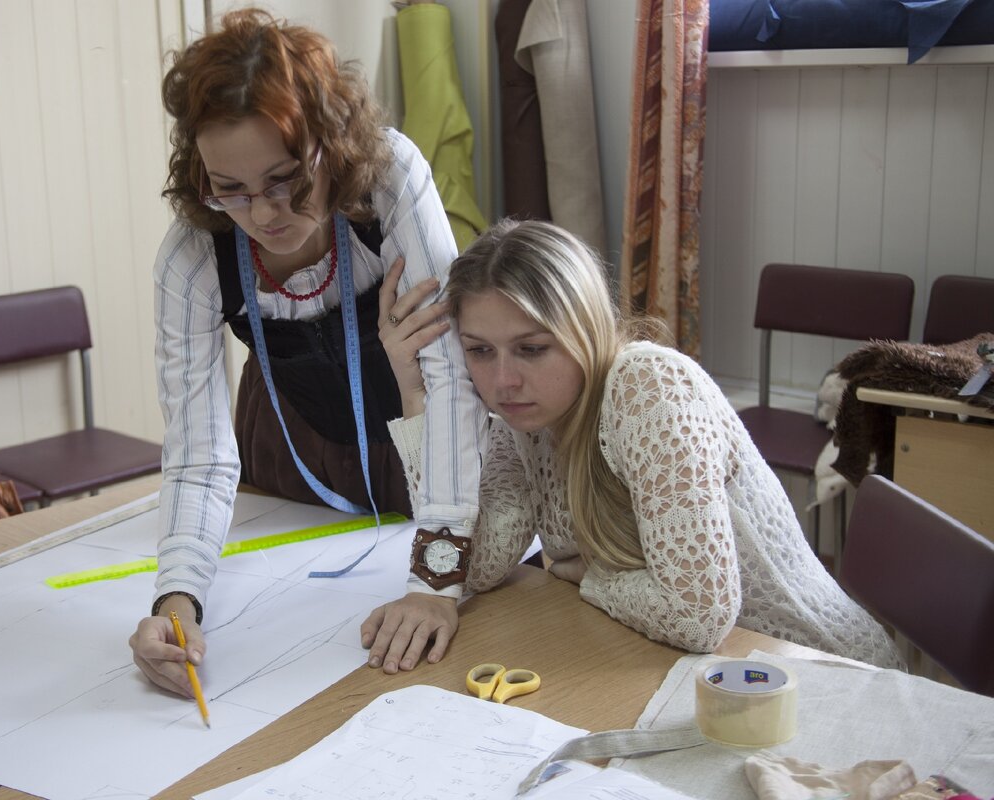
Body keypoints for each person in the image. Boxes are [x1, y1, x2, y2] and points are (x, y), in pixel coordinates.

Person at [129, 9, 486, 697]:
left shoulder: (390, 178)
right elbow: (199, 452)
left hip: (422, 434)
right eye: (228, 188)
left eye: (285, 178)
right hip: (290, 448)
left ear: (332, 144)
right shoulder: (191, 256)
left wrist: (436, 582)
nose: (262, 214)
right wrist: (176, 604)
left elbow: (445, 375)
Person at [362, 219, 902, 671]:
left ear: (585, 328)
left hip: (819, 669)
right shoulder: (523, 420)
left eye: (532, 349)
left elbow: (698, 615)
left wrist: (592, 577)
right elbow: (477, 567)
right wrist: (419, 393)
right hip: (701, 673)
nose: (503, 382)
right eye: (479, 351)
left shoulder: (649, 388)